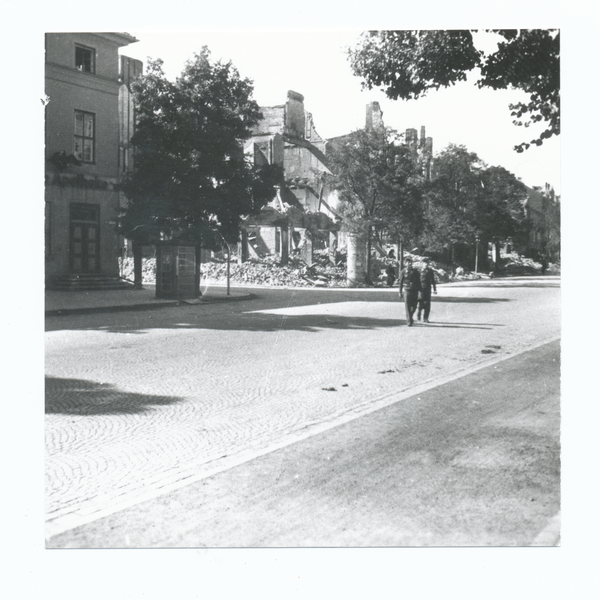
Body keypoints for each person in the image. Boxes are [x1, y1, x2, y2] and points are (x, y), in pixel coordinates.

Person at [399, 258, 421, 326]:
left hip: (414, 290)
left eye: (410, 262)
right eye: (408, 263)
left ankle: (410, 316)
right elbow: (400, 282)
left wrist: (420, 292)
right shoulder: (403, 271)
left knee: (414, 306)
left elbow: (418, 282)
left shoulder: (416, 272)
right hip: (407, 290)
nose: (409, 264)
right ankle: (409, 321)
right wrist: (400, 292)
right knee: (407, 306)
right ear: (405, 264)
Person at [417, 258, 437, 323]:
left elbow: (433, 281)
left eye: (427, 263)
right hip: (421, 289)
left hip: (428, 288)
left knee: (427, 303)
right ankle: (419, 312)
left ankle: (426, 318)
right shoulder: (419, 271)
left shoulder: (430, 271)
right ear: (422, 264)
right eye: (424, 263)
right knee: (421, 302)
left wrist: (434, 289)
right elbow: (416, 280)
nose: (426, 264)